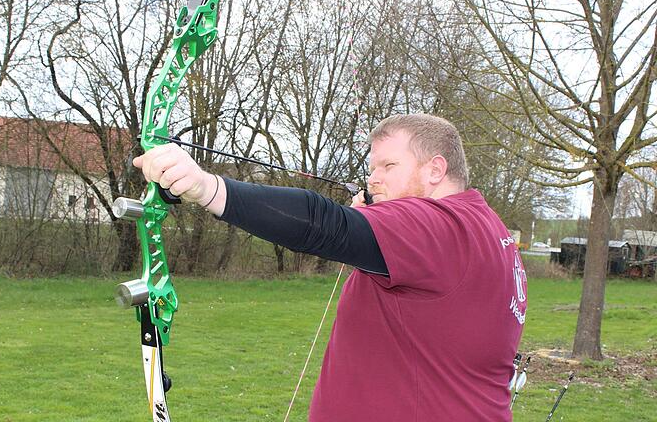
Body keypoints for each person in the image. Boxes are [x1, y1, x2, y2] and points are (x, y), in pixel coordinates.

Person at [133, 114, 527, 421]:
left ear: (435, 170)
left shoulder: (439, 226)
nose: (374, 181)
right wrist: (371, 230)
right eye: (372, 169)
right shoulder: (483, 227)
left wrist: (207, 187)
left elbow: (325, 224)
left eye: (388, 166)